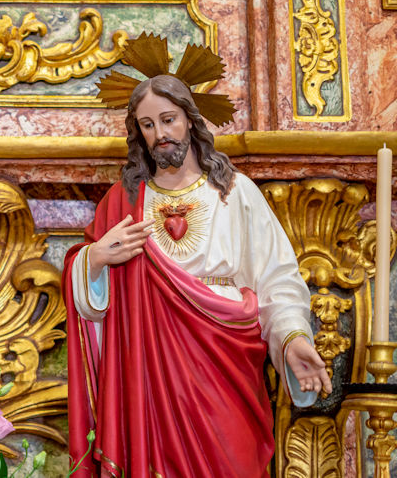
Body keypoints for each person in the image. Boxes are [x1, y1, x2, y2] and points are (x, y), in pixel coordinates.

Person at [65, 34, 331, 477]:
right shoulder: (123, 201)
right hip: (147, 379)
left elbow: (277, 280)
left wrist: (291, 338)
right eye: (147, 125)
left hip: (224, 362)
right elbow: (90, 302)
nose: (160, 135)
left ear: (190, 120)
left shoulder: (234, 193)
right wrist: (93, 260)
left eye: (168, 120)